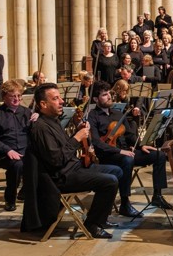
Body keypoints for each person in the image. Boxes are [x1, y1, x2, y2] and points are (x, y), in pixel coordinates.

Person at [28, 83, 121, 239]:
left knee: (116, 171)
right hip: (61, 177)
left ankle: (101, 218)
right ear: (43, 104)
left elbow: (65, 148)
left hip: (73, 168)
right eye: (56, 98)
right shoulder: (41, 127)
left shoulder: (54, 121)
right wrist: (77, 138)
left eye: (60, 97)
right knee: (109, 181)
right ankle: (92, 224)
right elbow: (56, 160)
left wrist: (79, 135)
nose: (62, 102)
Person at [88, 80, 173, 216]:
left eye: (109, 93)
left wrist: (141, 145)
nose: (109, 96)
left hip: (126, 152)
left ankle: (157, 196)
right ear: (95, 99)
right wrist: (120, 151)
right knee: (127, 160)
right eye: (104, 95)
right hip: (109, 155)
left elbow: (129, 135)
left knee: (159, 155)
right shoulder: (93, 116)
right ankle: (125, 203)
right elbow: (97, 143)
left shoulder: (117, 113)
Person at [0, 80, 33, 211]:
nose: (17, 99)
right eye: (13, 96)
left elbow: (32, 134)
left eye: (19, 96)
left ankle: (24, 192)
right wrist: (8, 150)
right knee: (17, 165)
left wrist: (35, 123)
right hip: (3, 153)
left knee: (39, 161)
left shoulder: (26, 112)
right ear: (4, 97)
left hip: (24, 151)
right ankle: (10, 198)